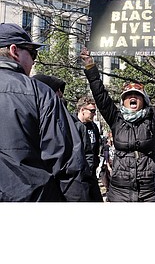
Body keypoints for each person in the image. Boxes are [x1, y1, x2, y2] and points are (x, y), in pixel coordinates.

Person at [79, 45, 155, 202]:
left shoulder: (153, 117)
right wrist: (89, 65)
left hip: (150, 191)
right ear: (123, 101)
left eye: (137, 95)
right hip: (120, 192)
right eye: (128, 95)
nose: (133, 97)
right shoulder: (116, 118)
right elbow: (100, 94)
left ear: (144, 100)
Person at [0, 23, 89, 201]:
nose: (34, 61)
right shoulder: (39, 93)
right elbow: (68, 164)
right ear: (14, 51)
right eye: (32, 53)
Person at [32, 74, 104, 202]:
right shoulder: (67, 123)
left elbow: (87, 153)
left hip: (78, 180)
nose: (60, 95)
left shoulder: (90, 127)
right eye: (91, 111)